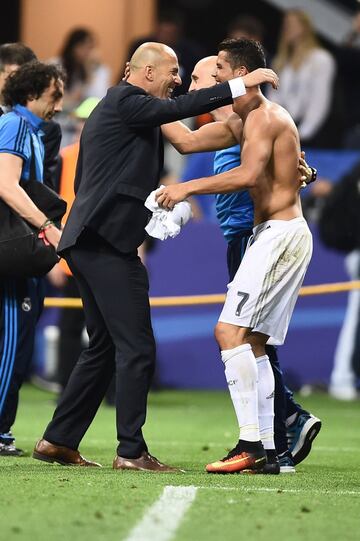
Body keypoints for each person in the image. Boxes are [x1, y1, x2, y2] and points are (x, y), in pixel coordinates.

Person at [32, 41, 279, 471]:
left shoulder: (127, 109)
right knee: (137, 347)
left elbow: (181, 137)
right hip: (105, 242)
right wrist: (240, 84)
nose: (179, 79)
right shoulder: (127, 100)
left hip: (93, 240)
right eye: (174, 70)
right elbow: (178, 109)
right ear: (146, 73)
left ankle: (58, 440)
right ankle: (130, 452)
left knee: (104, 347)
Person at [156, 38, 313, 474]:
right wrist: (144, 102)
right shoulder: (242, 121)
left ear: (238, 72)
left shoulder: (263, 116)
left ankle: (251, 444)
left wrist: (184, 188)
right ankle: (268, 450)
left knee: (229, 333)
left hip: (277, 234)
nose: (213, 75)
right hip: (275, 233)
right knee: (255, 345)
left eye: (220, 67)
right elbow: (186, 142)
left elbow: (245, 175)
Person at [0, 61, 64, 457]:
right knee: (10, 342)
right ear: (31, 94)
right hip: (13, 252)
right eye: (53, 95)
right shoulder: (16, 126)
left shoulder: (33, 132)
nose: (58, 104)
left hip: (24, 252)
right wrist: (47, 226)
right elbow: (5, 185)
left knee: (19, 343)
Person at [267, 9, 340, 148]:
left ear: (305, 27)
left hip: (309, 134)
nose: (288, 29)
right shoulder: (280, 61)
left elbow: (319, 101)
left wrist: (303, 134)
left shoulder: (321, 59)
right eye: (286, 25)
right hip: (283, 127)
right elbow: (273, 98)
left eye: (293, 24)